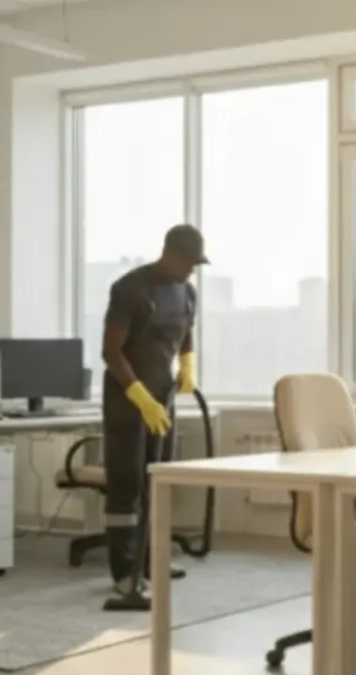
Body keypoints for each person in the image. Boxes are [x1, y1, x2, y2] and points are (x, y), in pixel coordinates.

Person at [101, 224, 206, 599]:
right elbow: (111, 352)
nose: (192, 271)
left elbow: (185, 331)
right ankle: (123, 572)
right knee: (127, 485)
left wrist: (188, 365)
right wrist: (140, 397)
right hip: (127, 400)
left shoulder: (187, 292)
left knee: (157, 482)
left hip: (164, 398)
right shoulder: (130, 289)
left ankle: (150, 561)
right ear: (169, 253)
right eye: (189, 263)